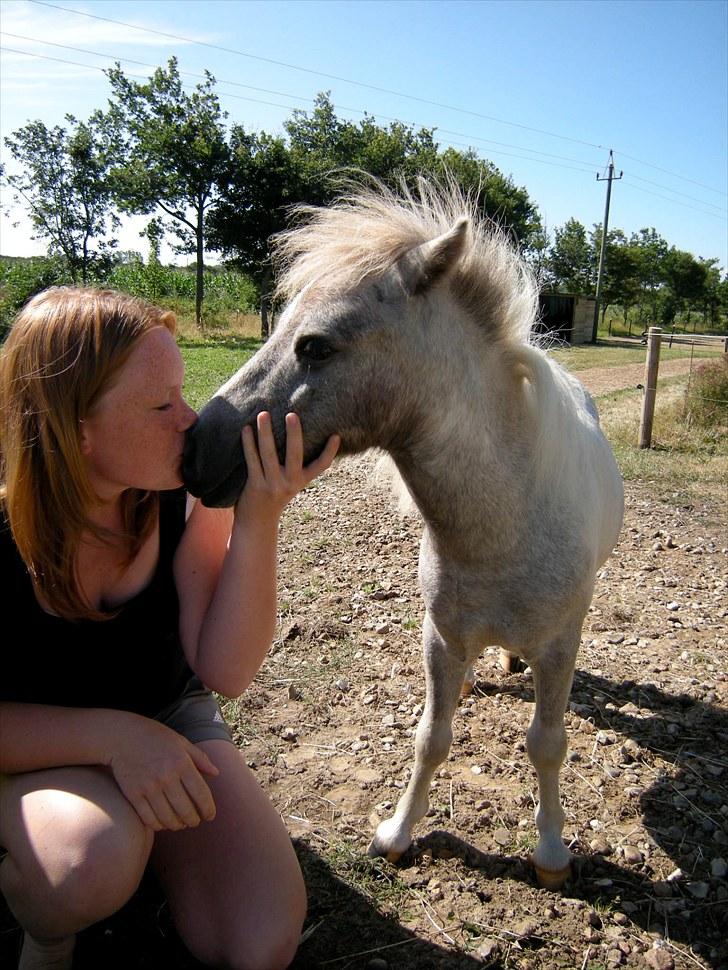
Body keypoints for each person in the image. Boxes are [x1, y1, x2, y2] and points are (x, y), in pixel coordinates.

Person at [0, 287, 340, 970]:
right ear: (75, 428)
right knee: (84, 864)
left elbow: (225, 671)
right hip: (30, 749)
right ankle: (47, 935)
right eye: (162, 406)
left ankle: (137, 832)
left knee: (260, 942)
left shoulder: (179, 500)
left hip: (168, 718)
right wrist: (113, 738)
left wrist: (257, 522)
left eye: (182, 394)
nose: (190, 420)